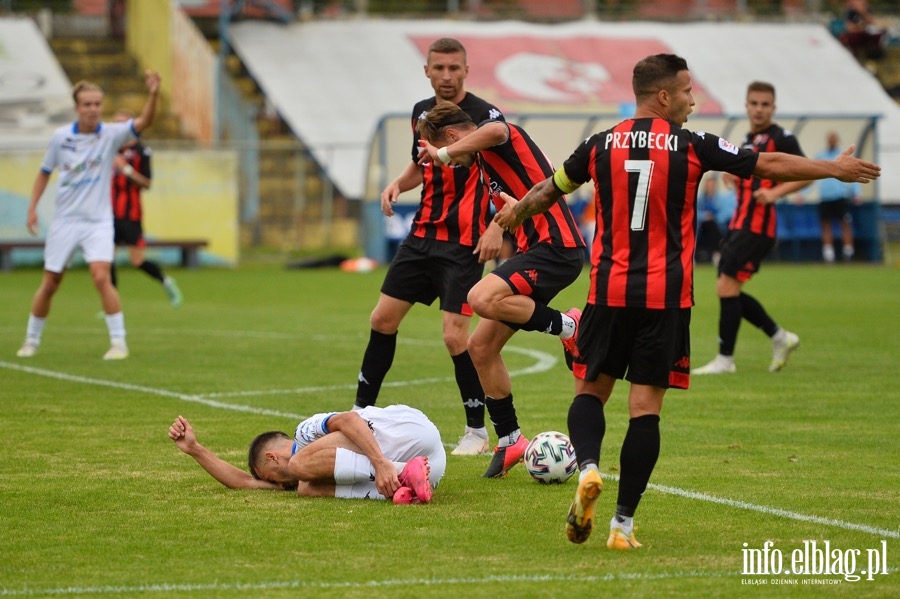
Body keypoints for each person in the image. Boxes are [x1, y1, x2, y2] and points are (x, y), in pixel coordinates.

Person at [494, 54, 879, 550]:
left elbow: (549, 191)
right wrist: (833, 169)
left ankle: (587, 467)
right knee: (645, 409)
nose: (693, 100)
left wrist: (515, 213)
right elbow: (769, 163)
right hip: (666, 297)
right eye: (687, 91)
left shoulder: (597, 145)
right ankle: (621, 526)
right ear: (663, 96)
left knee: (591, 391)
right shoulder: (692, 145)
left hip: (608, 291)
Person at [416, 102, 586, 478]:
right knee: (480, 346)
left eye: (442, 151)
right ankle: (511, 440)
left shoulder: (495, 139)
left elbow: (497, 129)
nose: (446, 164)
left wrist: (442, 154)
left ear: (452, 137)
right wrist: (503, 218)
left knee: (481, 298)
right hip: (536, 251)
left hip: (556, 248)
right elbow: (518, 203)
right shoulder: (484, 166)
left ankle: (571, 327)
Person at [354, 38, 505, 456]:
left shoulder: (485, 118)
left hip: (463, 244)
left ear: (466, 70)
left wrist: (496, 226)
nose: (446, 76)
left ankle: (476, 430)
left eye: (454, 68)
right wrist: (397, 184)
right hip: (421, 236)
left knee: (455, 336)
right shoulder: (422, 113)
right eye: (438, 68)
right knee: (382, 319)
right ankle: (359, 414)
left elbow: (506, 177)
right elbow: (421, 164)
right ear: (427, 71)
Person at [16, 71, 161, 360]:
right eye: (87, 104)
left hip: (98, 222)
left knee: (100, 276)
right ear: (77, 108)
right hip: (66, 221)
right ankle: (31, 340)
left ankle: (119, 343)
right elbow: (44, 173)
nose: (93, 109)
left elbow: (144, 122)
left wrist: (153, 94)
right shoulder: (61, 138)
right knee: (51, 282)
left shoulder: (111, 134)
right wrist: (32, 208)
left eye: (97, 103)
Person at [693, 81, 814, 376]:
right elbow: (751, 172)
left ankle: (726, 359)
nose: (759, 109)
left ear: (773, 108)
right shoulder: (750, 139)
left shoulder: (780, 137)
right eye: (754, 103)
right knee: (728, 289)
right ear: (747, 106)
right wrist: (734, 177)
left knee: (726, 287)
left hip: (757, 227)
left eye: (765, 104)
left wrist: (775, 194)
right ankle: (779, 337)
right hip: (739, 224)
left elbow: (807, 172)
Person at [168, 404, 445, 504]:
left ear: (273, 457)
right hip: (432, 470)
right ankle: (405, 481)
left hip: (408, 430)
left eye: (272, 478)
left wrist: (382, 464)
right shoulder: (303, 480)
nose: (278, 486)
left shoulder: (303, 432)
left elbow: (348, 419)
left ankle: (398, 473)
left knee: (301, 467)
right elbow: (244, 482)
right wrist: (195, 449)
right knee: (306, 488)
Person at [110, 109, 183, 307]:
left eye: (122, 124)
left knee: (137, 261)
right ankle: (111, 305)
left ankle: (167, 282)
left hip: (131, 215)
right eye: (115, 124)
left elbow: (147, 184)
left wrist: (125, 169)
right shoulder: (109, 150)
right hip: (108, 215)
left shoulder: (142, 152)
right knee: (106, 259)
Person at [815, 131, 860, 262]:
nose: (832, 141)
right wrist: (803, 194)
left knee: (845, 224)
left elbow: (855, 174)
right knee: (826, 225)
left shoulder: (844, 156)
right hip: (825, 197)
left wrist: (857, 193)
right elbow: (811, 176)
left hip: (840, 197)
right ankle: (828, 254)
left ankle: (848, 252)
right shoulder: (821, 155)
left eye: (834, 139)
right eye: (830, 139)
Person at [695, 175, 724, 265]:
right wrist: (705, 216)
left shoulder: (719, 199)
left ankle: (716, 254)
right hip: (702, 226)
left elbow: (724, 213)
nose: (711, 187)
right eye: (709, 185)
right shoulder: (700, 198)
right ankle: (715, 253)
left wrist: (714, 217)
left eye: (712, 185)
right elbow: (695, 212)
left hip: (716, 226)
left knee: (712, 225)